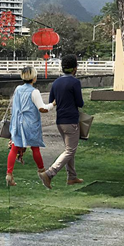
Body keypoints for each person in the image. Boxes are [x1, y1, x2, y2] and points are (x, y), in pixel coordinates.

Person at [7, 66, 52, 189]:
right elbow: (42, 108)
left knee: (14, 148)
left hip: (18, 123)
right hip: (30, 124)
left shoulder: (18, 89)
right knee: (35, 148)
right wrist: (53, 104)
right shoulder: (34, 92)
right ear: (34, 78)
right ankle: (42, 172)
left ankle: (9, 174)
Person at [44, 54, 84, 186]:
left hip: (60, 121)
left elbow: (51, 100)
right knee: (70, 150)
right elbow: (80, 103)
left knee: (69, 149)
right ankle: (50, 173)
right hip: (71, 120)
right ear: (75, 68)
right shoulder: (75, 82)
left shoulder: (56, 82)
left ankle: (72, 177)